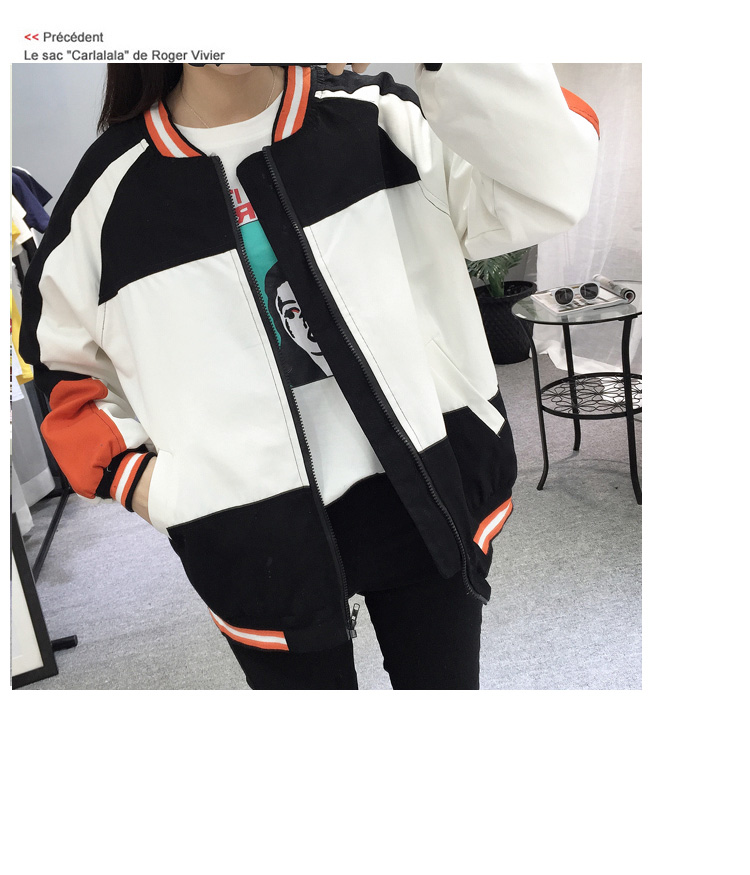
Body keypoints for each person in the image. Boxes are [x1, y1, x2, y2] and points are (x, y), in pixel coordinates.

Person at [19, 63, 600, 690]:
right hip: (249, 532)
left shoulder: (384, 119)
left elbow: (551, 182)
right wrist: (145, 482)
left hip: (427, 487)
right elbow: (60, 366)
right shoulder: (106, 196)